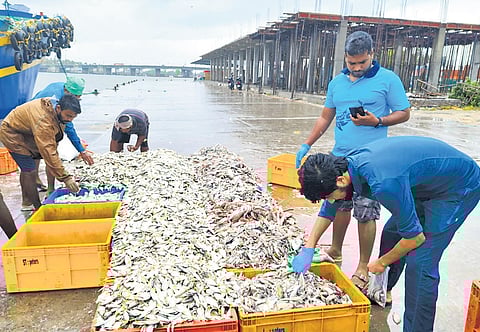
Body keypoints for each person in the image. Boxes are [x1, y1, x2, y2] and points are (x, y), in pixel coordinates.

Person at [293, 136, 480, 332]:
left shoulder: (383, 183)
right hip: (423, 184)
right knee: (392, 233)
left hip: (457, 188)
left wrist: (381, 262)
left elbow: (415, 238)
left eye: (329, 196)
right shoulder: (342, 167)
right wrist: (309, 247)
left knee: (421, 262)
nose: (331, 201)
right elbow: (329, 209)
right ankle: (381, 291)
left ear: (340, 180)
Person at [294, 30, 411, 290]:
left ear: (372, 54)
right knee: (338, 204)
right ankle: (335, 250)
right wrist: (307, 143)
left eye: (362, 62)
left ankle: (361, 266)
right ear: (345, 58)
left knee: (366, 212)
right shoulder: (337, 83)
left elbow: (404, 113)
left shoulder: (388, 80)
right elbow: (325, 117)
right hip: (341, 155)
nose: (357, 68)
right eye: (351, 63)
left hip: (372, 159)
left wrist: (377, 120)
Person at [0, 94, 82, 210]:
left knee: (30, 167)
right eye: (68, 116)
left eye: (73, 117)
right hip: (12, 133)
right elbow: (48, 151)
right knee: (29, 170)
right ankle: (37, 206)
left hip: (27, 132)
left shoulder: (57, 112)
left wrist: (81, 151)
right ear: (58, 108)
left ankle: (27, 202)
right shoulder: (44, 120)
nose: (70, 119)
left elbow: (53, 144)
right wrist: (65, 177)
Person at [31, 76, 94, 201]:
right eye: (75, 97)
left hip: (43, 119)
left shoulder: (62, 87)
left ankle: (42, 182)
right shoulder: (55, 99)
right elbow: (68, 126)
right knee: (49, 153)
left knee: (44, 151)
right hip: (36, 120)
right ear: (67, 91)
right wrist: (81, 150)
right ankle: (48, 187)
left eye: (78, 97)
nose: (76, 99)